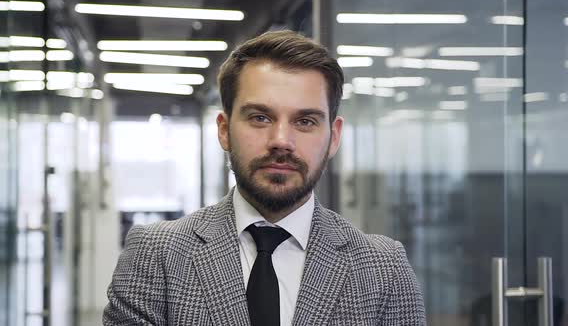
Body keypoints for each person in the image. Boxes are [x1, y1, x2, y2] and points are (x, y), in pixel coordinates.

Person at [103, 30, 426, 326]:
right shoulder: (156, 256)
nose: (281, 140)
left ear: (334, 137)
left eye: (306, 121)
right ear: (225, 130)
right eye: (260, 117)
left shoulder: (383, 269)